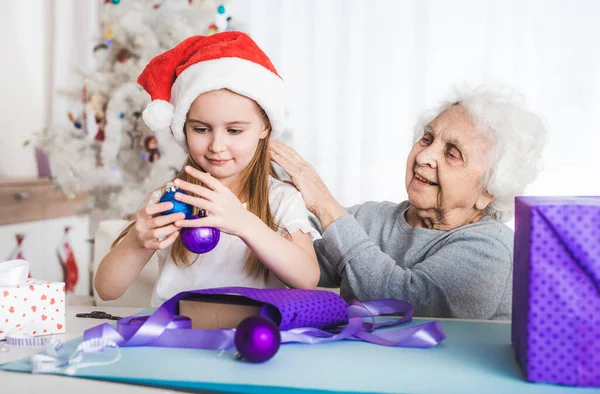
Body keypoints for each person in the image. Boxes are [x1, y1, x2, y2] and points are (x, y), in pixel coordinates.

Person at [271, 87, 548, 320]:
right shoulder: (373, 217)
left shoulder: (492, 248)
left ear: (488, 190)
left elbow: (404, 303)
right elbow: (300, 258)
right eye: (427, 138)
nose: (424, 155)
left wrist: (325, 204)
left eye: (452, 153)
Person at [95, 32, 320, 306]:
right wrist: (136, 241)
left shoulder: (281, 201)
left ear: (265, 127)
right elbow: (107, 290)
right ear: (183, 128)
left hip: (251, 339)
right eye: (201, 129)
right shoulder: (170, 200)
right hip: (179, 339)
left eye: (234, 130)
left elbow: (308, 279)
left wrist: (244, 222)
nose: (217, 145)